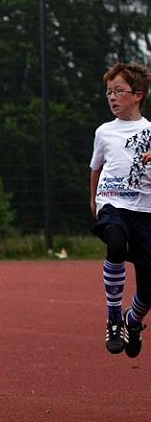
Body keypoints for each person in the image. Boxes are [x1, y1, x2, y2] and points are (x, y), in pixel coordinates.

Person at [90, 62, 151, 358]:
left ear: (137, 95)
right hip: (113, 203)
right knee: (115, 243)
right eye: (108, 92)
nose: (112, 97)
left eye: (118, 91)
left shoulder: (149, 131)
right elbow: (96, 167)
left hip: (145, 210)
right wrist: (94, 200)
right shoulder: (104, 132)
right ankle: (114, 318)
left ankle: (133, 320)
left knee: (148, 290)